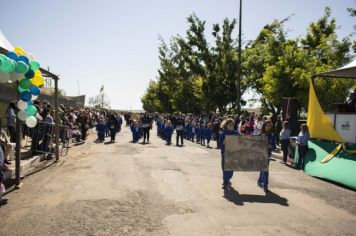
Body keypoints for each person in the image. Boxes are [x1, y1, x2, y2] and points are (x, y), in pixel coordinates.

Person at [219, 118, 239, 190]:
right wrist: (223, 143)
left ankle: (227, 180)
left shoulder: (236, 133)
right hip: (224, 154)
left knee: (231, 170)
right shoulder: (223, 133)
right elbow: (219, 144)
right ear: (226, 125)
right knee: (225, 169)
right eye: (230, 125)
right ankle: (225, 183)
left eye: (232, 125)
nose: (231, 126)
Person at [257, 120, 273, 192]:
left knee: (265, 169)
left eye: (270, 126)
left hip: (267, 155)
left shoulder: (271, 135)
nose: (268, 127)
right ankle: (261, 181)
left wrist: (271, 146)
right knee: (262, 168)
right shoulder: (260, 134)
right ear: (264, 126)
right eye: (267, 125)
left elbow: (274, 146)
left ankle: (264, 184)